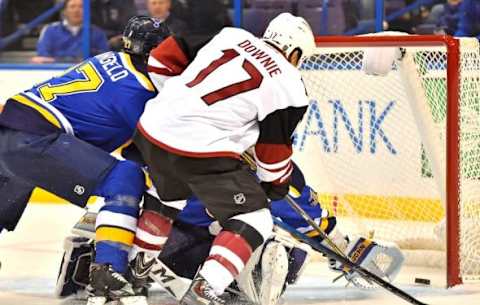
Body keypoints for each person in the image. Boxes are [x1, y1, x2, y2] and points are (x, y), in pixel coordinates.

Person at [129, 12, 315, 305]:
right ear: (295, 53)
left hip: (152, 128)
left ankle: (136, 269)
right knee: (255, 218)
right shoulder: (290, 83)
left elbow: (162, 56)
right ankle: (206, 289)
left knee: (168, 195)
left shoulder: (231, 36)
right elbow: (272, 152)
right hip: (199, 150)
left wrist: (179, 103)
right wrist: (274, 184)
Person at [57, 162, 405, 305]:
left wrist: (345, 248)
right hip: (178, 244)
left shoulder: (180, 138)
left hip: (180, 246)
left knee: (272, 253)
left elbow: (308, 216)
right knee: (277, 255)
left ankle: (102, 267)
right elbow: (307, 218)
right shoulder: (256, 161)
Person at [0, 16, 170, 305]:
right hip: (36, 140)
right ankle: (108, 273)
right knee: (125, 178)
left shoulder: (109, 57)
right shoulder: (141, 92)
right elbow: (151, 155)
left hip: (10, 126)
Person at [32, 0, 109, 64]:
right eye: (72, 7)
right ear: (64, 11)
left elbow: (104, 59)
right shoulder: (50, 30)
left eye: (81, 7)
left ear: (87, 10)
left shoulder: (98, 32)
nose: (76, 10)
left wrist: (57, 59)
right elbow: (42, 58)